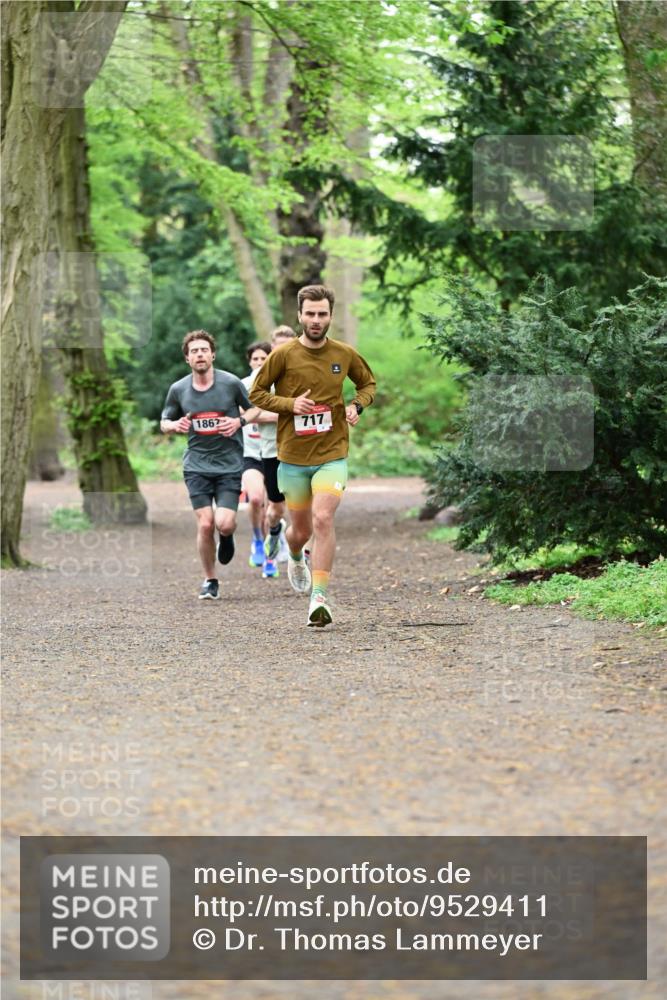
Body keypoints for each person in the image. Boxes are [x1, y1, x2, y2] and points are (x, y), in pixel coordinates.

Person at [250, 285, 376, 627]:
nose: (316, 320)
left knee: (323, 519)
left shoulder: (344, 353)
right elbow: (256, 393)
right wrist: (291, 405)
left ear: (330, 316)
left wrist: (355, 406)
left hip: (332, 453)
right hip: (291, 457)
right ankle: (293, 554)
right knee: (300, 531)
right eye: (310, 314)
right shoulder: (283, 355)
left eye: (322, 314)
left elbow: (368, 385)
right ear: (300, 315)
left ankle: (319, 596)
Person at [161, 330, 259, 600]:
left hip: (229, 465)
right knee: (205, 524)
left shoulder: (230, 383)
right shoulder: (179, 389)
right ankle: (210, 580)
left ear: (212, 354)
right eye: (194, 351)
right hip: (196, 466)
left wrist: (238, 422)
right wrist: (174, 425)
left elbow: (254, 410)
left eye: (204, 350)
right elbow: (164, 420)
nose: (199, 354)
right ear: (187, 358)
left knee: (224, 524)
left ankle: (226, 537)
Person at [241, 341, 271, 571]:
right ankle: (257, 539)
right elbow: (239, 413)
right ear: (249, 361)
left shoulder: (278, 384)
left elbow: (287, 414)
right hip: (250, 453)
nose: (259, 363)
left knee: (274, 507)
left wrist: (253, 414)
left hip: (274, 451)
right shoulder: (241, 385)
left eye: (264, 358)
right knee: (256, 499)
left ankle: (271, 549)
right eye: (255, 359)